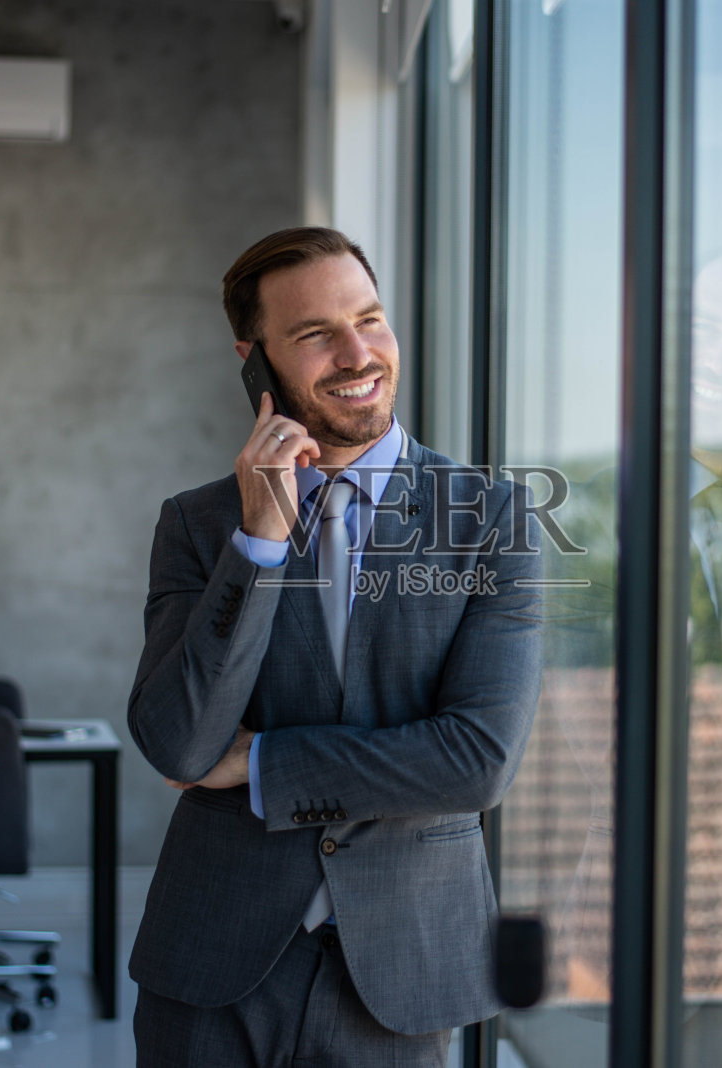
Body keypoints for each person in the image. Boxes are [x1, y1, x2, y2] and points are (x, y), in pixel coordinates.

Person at [125, 227, 543, 1066]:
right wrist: (259, 541)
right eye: (316, 333)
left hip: (403, 969)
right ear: (255, 362)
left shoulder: (493, 519)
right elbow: (179, 743)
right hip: (213, 963)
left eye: (369, 319)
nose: (358, 355)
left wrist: (263, 764)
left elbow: (477, 761)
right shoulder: (199, 525)